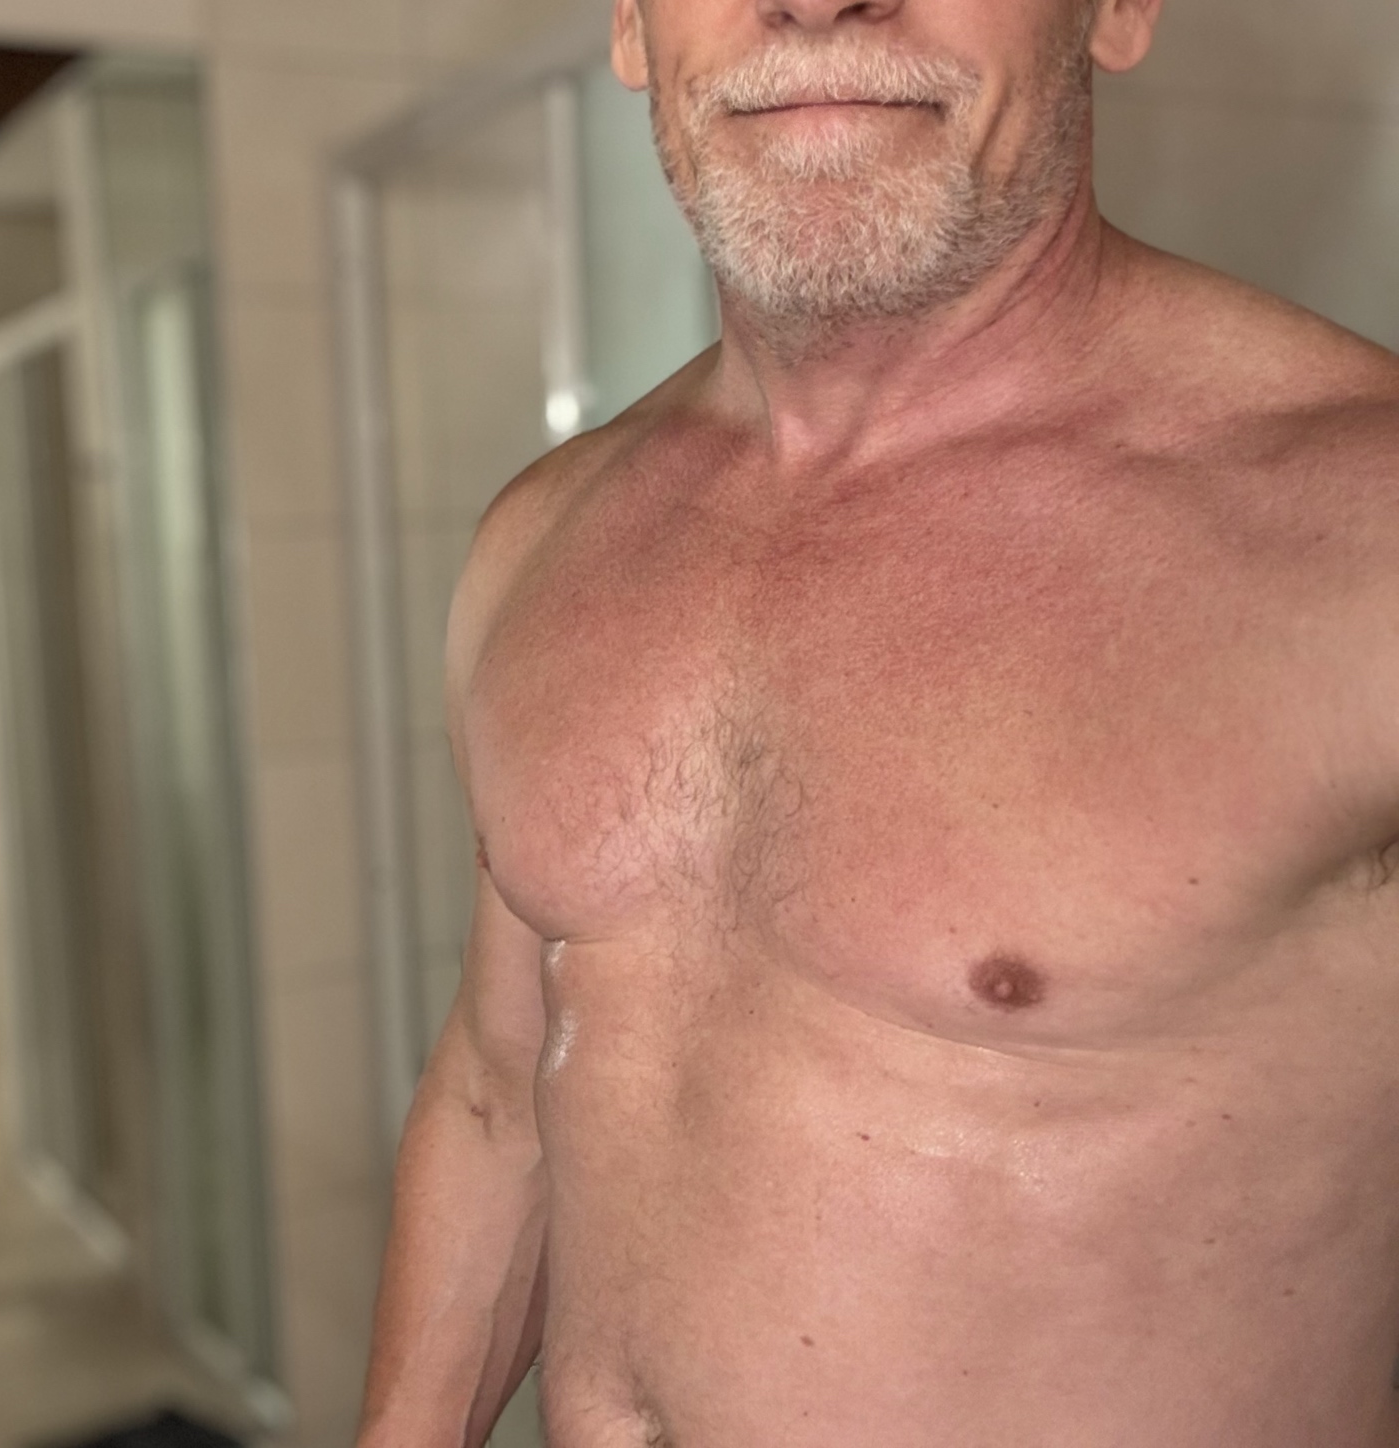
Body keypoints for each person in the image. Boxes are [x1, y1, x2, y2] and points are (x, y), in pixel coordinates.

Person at [358, 0, 1399, 1444]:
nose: (814, 0)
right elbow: (497, 1099)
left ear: (1115, 9)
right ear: (631, 26)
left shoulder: (1355, 534)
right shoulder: (546, 537)